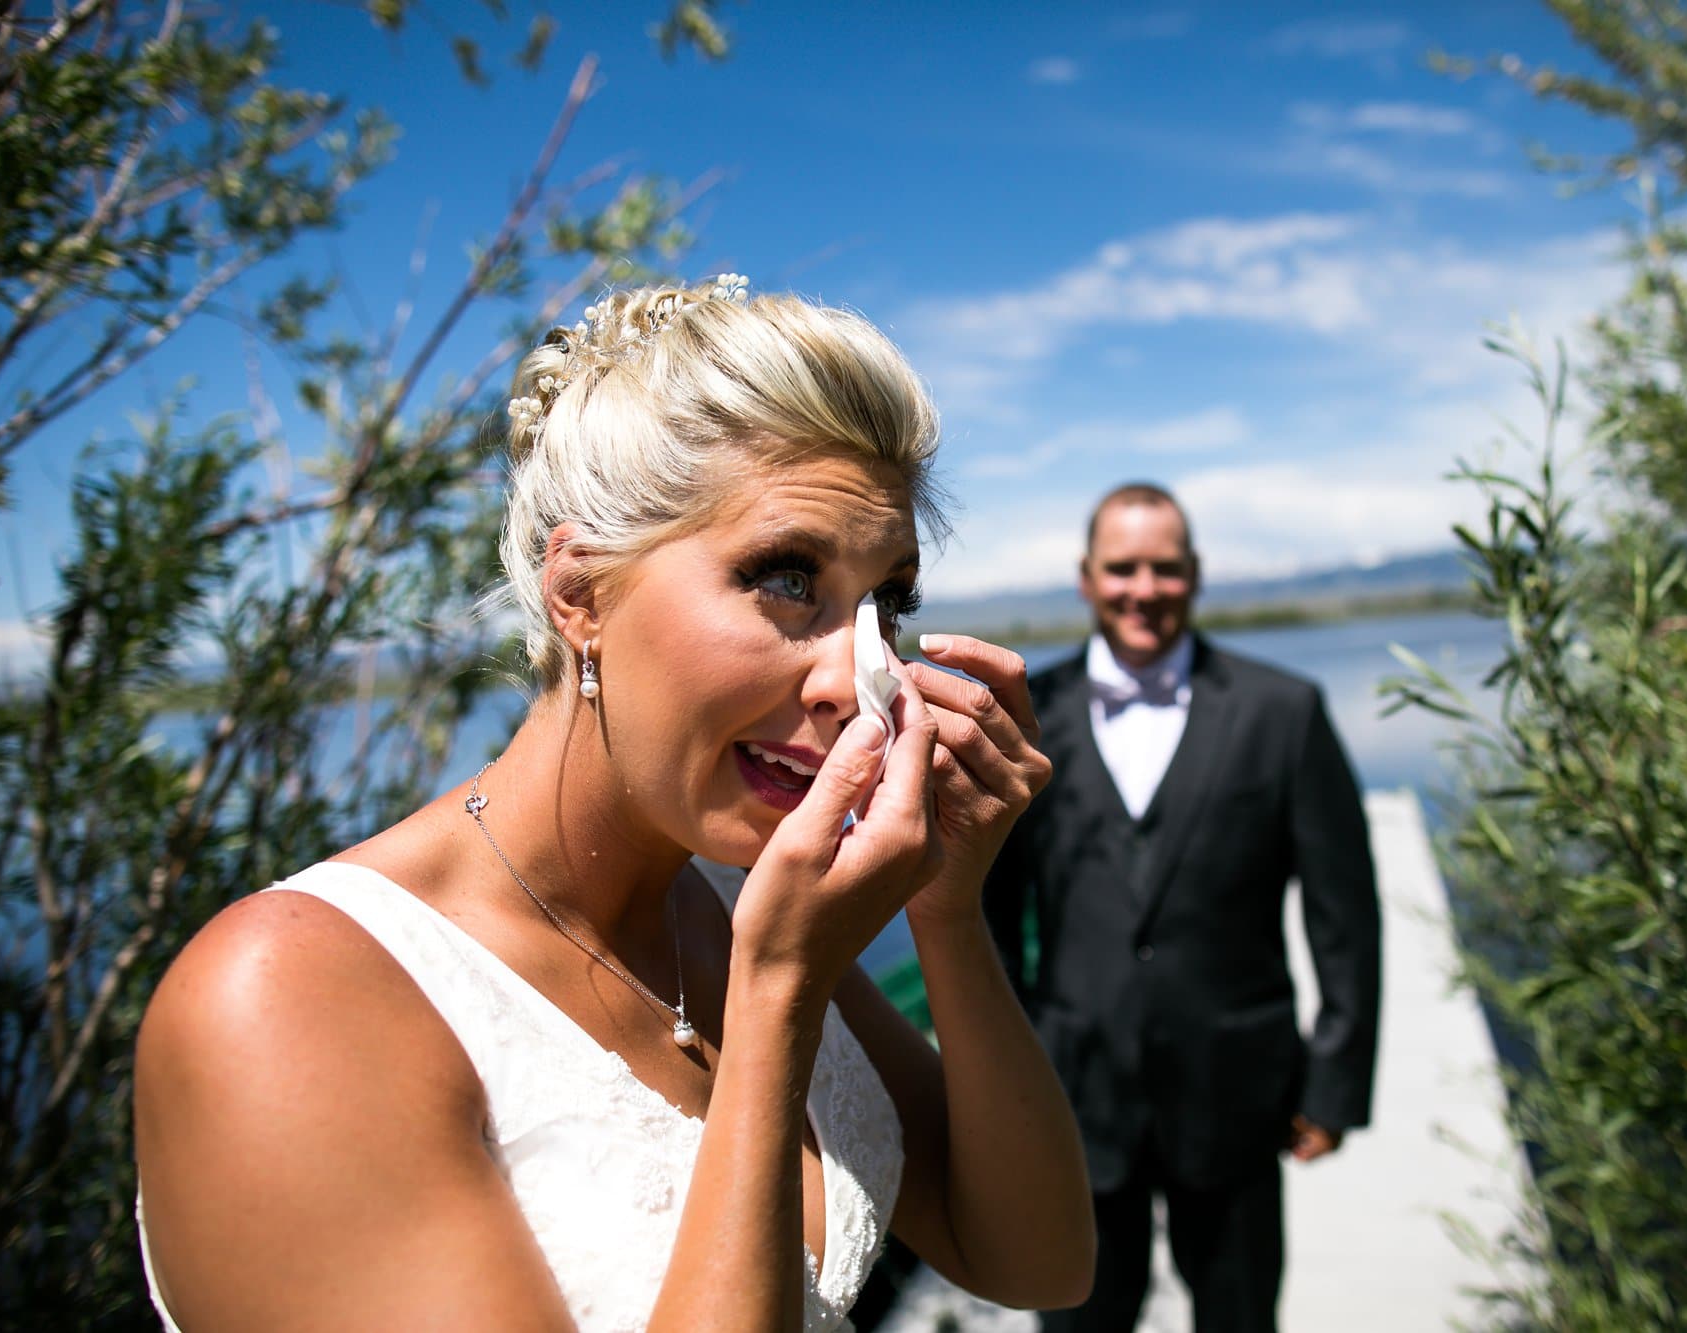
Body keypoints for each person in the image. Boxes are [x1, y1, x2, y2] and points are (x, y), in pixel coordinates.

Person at [132, 279, 1096, 1331]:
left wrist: (945, 913)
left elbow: (1037, 1261)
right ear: (579, 591)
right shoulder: (286, 994)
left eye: (884, 605)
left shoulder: (722, 919)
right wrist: (777, 996)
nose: (855, 680)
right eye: (785, 579)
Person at [983, 482, 1381, 1333]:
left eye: (1165, 568)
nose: (1145, 587)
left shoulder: (1284, 712)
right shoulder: (1027, 719)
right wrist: (1003, 1077)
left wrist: (1336, 1079)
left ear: (1195, 575)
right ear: (1086, 579)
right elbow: (988, 913)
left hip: (1238, 1095)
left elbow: (1344, 913)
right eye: (1123, 567)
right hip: (1073, 1099)